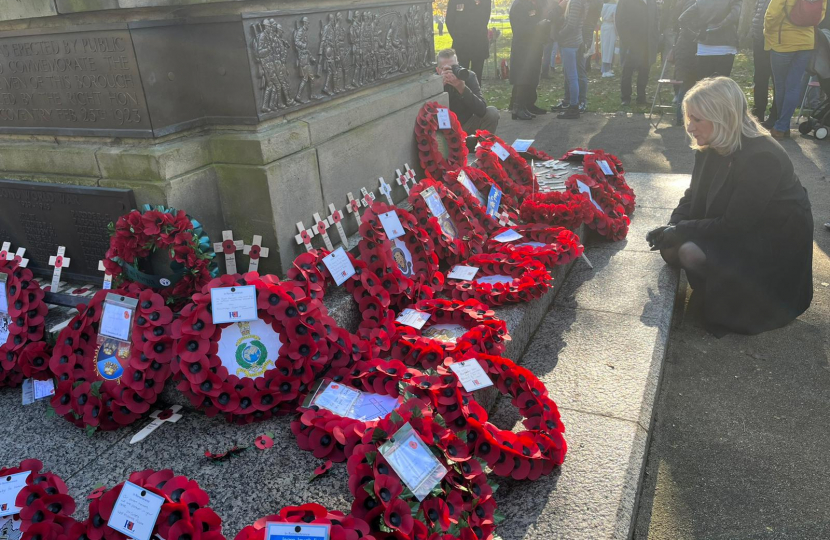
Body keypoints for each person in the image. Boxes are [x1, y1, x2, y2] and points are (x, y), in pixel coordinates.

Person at [647, 77, 813, 335]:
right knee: (670, 249)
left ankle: (733, 298)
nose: (690, 127)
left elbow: (737, 224)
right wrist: (672, 224)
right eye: (689, 118)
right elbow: (692, 195)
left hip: (771, 238)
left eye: (697, 119)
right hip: (736, 223)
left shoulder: (762, 156)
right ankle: (717, 286)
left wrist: (682, 230)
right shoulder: (711, 143)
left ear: (722, 117)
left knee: (688, 251)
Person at [764, 0, 827, 139]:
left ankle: (781, 127)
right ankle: (782, 125)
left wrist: (767, 32)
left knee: (780, 85)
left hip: (782, 42)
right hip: (806, 43)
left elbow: (772, 14)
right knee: (793, 85)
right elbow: (820, 15)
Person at [436, 48, 500, 133]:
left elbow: (482, 110)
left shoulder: (469, 76)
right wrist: (440, 87)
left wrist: (462, 88)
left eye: (454, 67)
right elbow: (428, 111)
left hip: (466, 125)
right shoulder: (433, 82)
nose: (451, 72)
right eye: (447, 69)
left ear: (458, 64)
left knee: (492, 112)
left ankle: (482, 145)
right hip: (441, 128)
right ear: (438, 70)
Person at [509, 0, 552, 120]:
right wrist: (539, 26)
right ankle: (518, 107)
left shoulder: (536, 4)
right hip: (523, 47)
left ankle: (529, 104)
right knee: (523, 77)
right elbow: (520, 29)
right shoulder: (519, 5)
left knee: (533, 75)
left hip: (535, 45)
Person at [678, 0, 741, 80]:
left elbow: (682, 19)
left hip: (704, 45)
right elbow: (734, 16)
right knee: (721, 83)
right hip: (725, 44)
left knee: (705, 84)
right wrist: (719, 26)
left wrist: (696, 33)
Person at [616, 0, 659, 105]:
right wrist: (628, 41)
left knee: (644, 71)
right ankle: (625, 98)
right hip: (631, 43)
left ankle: (641, 97)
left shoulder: (652, 2)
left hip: (647, 43)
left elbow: (655, 21)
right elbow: (620, 21)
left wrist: (655, 38)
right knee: (627, 71)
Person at [555, 0, 589, 118]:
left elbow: (571, 24)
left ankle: (573, 107)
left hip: (570, 43)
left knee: (572, 77)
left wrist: (559, 35)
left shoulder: (575, 2)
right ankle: (573, 104)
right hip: (577, 41)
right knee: (573, 76)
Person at [446, 0, 492, 85]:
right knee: (461, 77)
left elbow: (484, 19)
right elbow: (449, 20)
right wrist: (457, 37)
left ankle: (476, 97)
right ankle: (462, 97)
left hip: (478, 43)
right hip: (461, 45)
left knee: (477, 78)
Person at [751, 0, 777, 124]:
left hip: (774, 42)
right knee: (760, 78)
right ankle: (759, 112)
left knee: (777, 80)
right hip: (761, 42)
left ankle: (774, 115)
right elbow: (757, 16)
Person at [600, 0, 618, 77]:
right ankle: (606, 70)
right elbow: (615, 20)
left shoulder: (603, 5)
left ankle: (606, 68)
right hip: (611, 27)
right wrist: (617, 33)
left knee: (605, 48)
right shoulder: (615, 6)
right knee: (609, 48)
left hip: (604, 26)